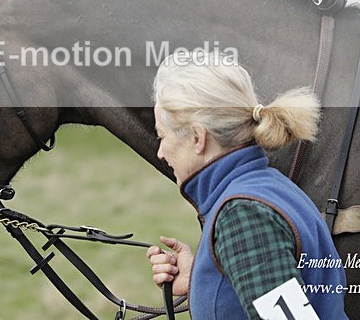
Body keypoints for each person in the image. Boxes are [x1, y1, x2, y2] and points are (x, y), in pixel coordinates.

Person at [147, 52, 347, 319]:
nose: (160, 152)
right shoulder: (266, 187)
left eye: (162, 136)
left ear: (197, 137)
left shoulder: (243, 216)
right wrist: (203, 281)